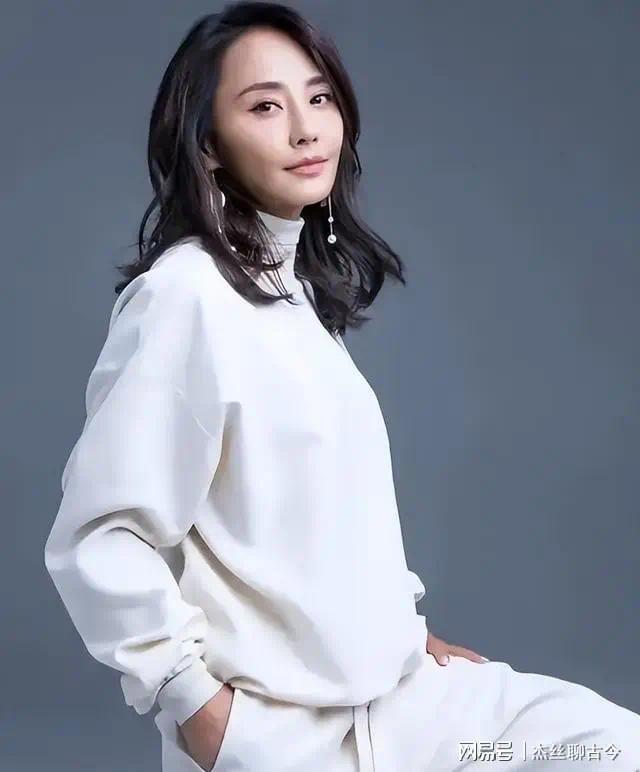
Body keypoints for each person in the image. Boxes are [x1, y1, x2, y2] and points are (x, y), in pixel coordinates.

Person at [43, 3, 640, 771]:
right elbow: (102, 533)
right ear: (209, 145)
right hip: (286, 739)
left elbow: (318, 521)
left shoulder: (292, 296)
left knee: (607, 750)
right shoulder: (185, 296)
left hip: (406, 708)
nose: (306, 130)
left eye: (319, 97)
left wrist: (402, 634)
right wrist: (195, 705)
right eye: (265, 106)